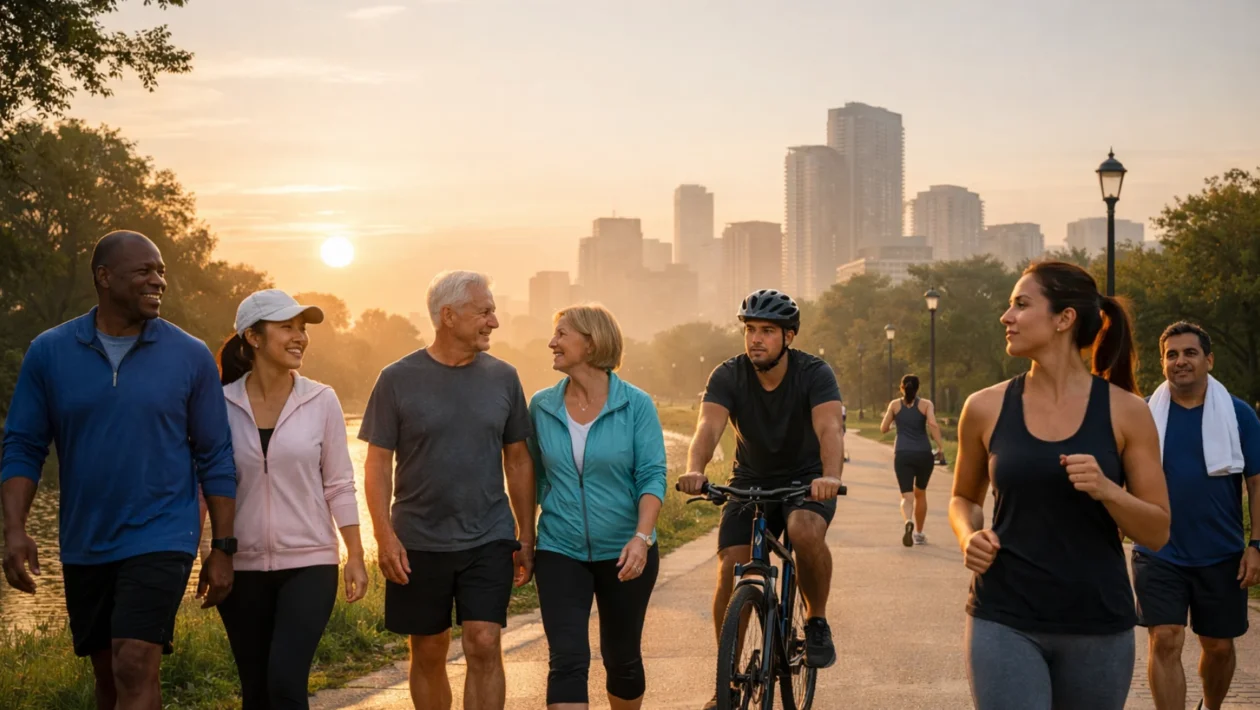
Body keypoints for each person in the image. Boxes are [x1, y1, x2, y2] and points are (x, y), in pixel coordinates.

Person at [1, 230, 237, 710]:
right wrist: (15, 530)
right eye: (144, 272)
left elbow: (216, 455)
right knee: (108, 675)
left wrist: (223, 548)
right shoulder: (50, 352)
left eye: (162, 272)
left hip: (162, 533)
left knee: (134, 662)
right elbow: (24, 445)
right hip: (86, 539)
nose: (158, 281)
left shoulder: (189, 355)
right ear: (104, 278)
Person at [948, 260, 1170, 710]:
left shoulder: (1127, 411)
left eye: (1021, 304)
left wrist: (1108, 490)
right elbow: (963, 498)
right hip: (1004, 616)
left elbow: (1158, 531)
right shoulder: (984, 407)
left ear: (1064, 318)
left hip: (1098, 623)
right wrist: (968, 535)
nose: (1005, 317)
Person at [359, 270, 535, 710]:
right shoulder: (396, 379)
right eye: (485, 312)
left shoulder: (504, 378)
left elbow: (517, 459)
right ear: (448, 315)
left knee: (483, 641)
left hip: (488, 535)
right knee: (430, 647)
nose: (494, 322)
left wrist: (525, 535)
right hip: (418, 538)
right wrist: (383, 536)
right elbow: (378, 463)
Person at [678, 288, 845, 710]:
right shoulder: (728, 375)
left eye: (767, 331)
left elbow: (830, 430)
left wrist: (829, 476)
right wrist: (696, 469)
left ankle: (817, 620)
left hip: (806, 479)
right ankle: (727, 681)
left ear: (789, 336)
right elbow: (707, 428)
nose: (755, 338)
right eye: (750, 329)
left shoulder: (814, 373)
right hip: (750, 479)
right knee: (732, 563)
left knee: (803, 529)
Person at [217, 289, 370, 709]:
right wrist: (209, 554)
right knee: (256, 692)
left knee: (285, 684)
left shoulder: (321, 400)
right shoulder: (220, 405)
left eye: (302, 329)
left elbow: (339, 482)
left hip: (310, 563)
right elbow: (205, 489)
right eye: (287, 327)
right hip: (241, 566)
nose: (299, 336)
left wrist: (354, 554)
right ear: (253, 336)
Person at [527, 304, 667, 710]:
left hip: (626, 551)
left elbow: (652, 476)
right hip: (559, 548)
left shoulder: (635, 404)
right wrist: (522, 536)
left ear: (590, 342)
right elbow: (531, 479)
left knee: (621, 659)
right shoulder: (542, 406)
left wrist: (642, 538)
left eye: (562, 333)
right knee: (567, 660)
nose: (552, 342)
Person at [1135, 322, 1260, 710]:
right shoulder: (1142, 416)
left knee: (1219, 647)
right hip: (1158, 550)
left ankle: (1212, 706)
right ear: (1162, 364)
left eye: (1189, 353)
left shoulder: (1238, 415)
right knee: (1167, 638)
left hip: (1220, 552)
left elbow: (1256, 483)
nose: (1180, 361)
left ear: (1208, 359)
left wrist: (1255, 545)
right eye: (1171, 354)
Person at [881, 374, 946, 547]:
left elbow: (883, 428)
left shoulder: (895, 405)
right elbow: (932, 424)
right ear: (917, 388)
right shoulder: (926, 404)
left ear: (901, 388)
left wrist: (896, 421)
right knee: (921, 493)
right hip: (924, 454)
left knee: (907, 496)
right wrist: (940, 446)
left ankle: (908, 520)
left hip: (902, 454)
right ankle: (918, 533)